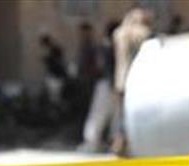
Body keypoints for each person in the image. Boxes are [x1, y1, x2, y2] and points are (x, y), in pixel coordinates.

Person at [111, 7, 153, 156]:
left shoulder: (119, 33)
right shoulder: (142, 33)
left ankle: (119, 142)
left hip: (120, 80)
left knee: (121, 113)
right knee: (138, 114)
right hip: (136, 80)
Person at [79, 21, 120, 152]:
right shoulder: (109, 47)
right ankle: (98, 142)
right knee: (108, 114)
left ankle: (97, 142)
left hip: (107, 84)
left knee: (104, 114)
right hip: (109, 84)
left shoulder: (106, 46)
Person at [39, 33, 70, 106]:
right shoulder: (52, 50)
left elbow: (57, 63)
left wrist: (48, 60)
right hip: (54, 76)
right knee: (54, 96)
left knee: (55, 96)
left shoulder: (54, 50)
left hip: (56, 77)